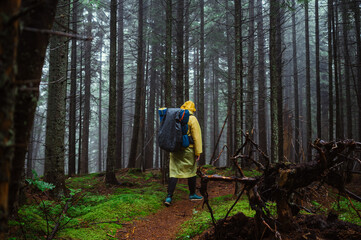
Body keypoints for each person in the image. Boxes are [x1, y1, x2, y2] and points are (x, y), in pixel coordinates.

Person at [164, 100, 203, 206]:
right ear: (192, 109)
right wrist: (198, 152)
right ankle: (192, 194)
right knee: (191, 171)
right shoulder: (192, 119)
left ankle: (169, 197)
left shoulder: (174, 117)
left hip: (175, 149)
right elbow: (196, 137)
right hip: (188, 150)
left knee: (173, 172)